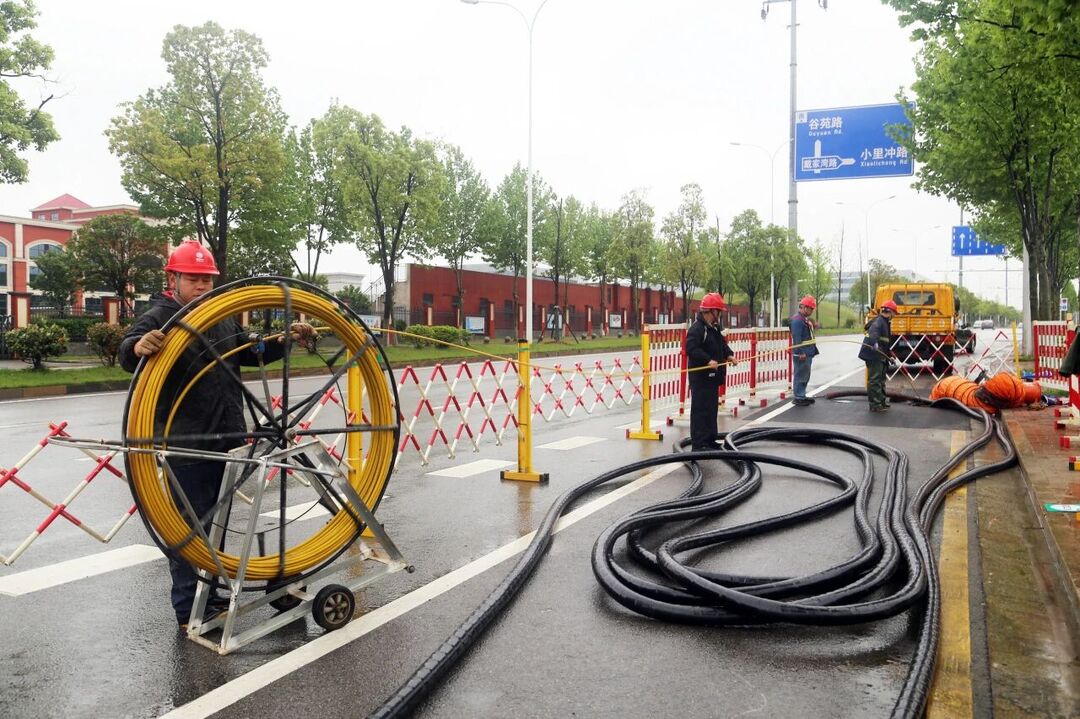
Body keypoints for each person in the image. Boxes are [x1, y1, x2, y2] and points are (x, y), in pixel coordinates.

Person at [119, 240, 315, 628]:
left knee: (217, 520)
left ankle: (208, 594)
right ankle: (188, 607)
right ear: (172, 279)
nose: (201, 285)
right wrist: (138, 346)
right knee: (190, 525)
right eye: (193, 278)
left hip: (226, 435)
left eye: (206, 279)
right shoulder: (160, 317)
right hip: (186, 441)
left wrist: (283, 339)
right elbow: (129, 351)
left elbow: (249, 350)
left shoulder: (220, 316)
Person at [685, 292, 736, 450]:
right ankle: (699, 444)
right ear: (712, 311)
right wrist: (707, 360)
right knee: (700, 410)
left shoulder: (714, 328)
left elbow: (721, 344)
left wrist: (729, 354)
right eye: (719, 311)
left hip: (712, 378)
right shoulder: (697, 329)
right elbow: (691, 348)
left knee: (711, 409)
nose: (720, 315)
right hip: (701, 378)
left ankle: (710, 440)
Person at [859, 299, 897, 412]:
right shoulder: (879, 322)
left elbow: (884, 342)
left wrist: (889, 355)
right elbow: (873, 335)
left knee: (880, 380)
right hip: (874, 355)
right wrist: (875, 344)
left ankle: (881, 402)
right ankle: (875, 404)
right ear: (890, 312)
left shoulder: (884, 322)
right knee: (875, 380)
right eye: (894, 313)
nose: (894, 316)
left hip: (880, 355)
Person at [789, 295, 819, 406]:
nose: (812, 311)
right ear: (805, 307)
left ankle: (802, 395)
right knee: (800, 375)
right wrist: (800, 352)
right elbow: (797, 338)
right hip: (802, 353)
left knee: (804, 375)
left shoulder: (803, 319)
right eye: (811, 309)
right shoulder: (797, 321)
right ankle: (799, 397)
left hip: (807, 352)